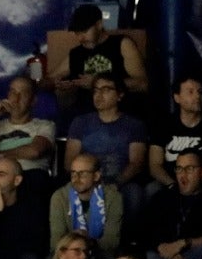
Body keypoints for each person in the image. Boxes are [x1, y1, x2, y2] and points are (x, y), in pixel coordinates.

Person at [63, 74, 148, 214]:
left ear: (119, 95)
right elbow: (69, 161)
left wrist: (115, 184)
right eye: (95, 90)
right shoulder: (80, 123)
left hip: (121, 183)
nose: (99, 95)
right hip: (84, 180)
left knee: (134, 195)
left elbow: (136, 163)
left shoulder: (134, 125)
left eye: (106, 90)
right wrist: (86, 180)